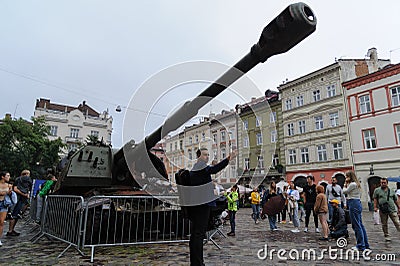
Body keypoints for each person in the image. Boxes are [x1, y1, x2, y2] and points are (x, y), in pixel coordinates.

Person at [188, 147, 237, 266]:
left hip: (197, 204)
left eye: (208, 155)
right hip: (202, 205)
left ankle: (196, 261)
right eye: (205, 155)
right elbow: (215, 169)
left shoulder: (196, 169)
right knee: (198, 235)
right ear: (199, 156)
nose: (207, 157)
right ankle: (198, 263)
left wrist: (211, 189)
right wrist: (229, 158)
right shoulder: (201, 167)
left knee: (196, 234)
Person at [343, 170, 370, 251]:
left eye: (347, 176)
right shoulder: (356, 184)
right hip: (356, 202)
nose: (346, 178)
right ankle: (365, 244)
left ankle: (361, 245)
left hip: (353, 203)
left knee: (356, 225)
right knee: (360, 224)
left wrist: (344, 184)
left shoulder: (352, 184)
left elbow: (344, 191)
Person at [373, 177, 400, 241]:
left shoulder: (391, 190)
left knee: (397, 222)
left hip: (392, 209)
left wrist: (399, 207)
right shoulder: (377, 190)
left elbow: (396, 200)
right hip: (382, 210)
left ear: (387, 183)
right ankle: (386, 235)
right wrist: (375, 207)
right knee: (384, 223)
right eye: (382, 183)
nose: (383, 184)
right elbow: (375, 199)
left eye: (384, 183)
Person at [7, 169, 32, 237]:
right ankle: (10, 230)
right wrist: (24, 194)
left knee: (15, 214)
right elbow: (15, 189)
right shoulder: (20, 180)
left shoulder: (19, 179)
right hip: (18, 199)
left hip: (19, 198)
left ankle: (12, 229)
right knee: (15, 214)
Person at [0, 171, 12, 246]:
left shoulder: (9, 185)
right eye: (7, 175)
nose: (9, 177)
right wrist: (5, 192)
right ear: (2, 177)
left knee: (1, 222)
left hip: (4, 204)